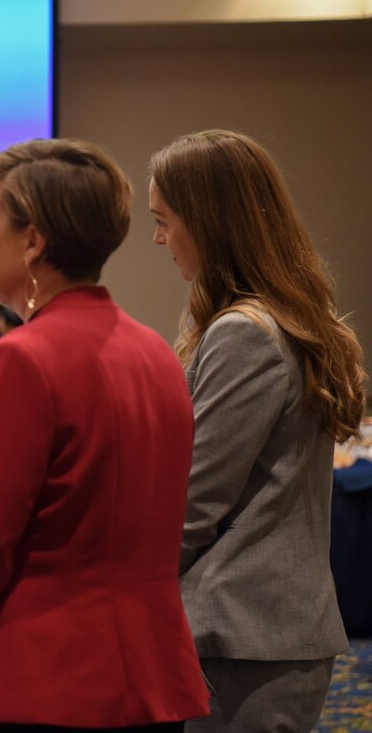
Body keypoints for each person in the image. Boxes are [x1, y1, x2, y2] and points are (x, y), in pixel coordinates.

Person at [0, 139, 210, 733]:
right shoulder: (156, 355)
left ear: (33, 242)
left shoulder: (20, 364)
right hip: (152, 685)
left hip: (38, 690)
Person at [149, 129, 366, 733]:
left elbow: (197, 500)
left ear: (210, 220)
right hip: (263, 633)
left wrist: (125, 595)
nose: (159, 238)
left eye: (165, 220)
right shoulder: (271, 319)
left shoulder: (242, 332)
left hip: (243, 637)